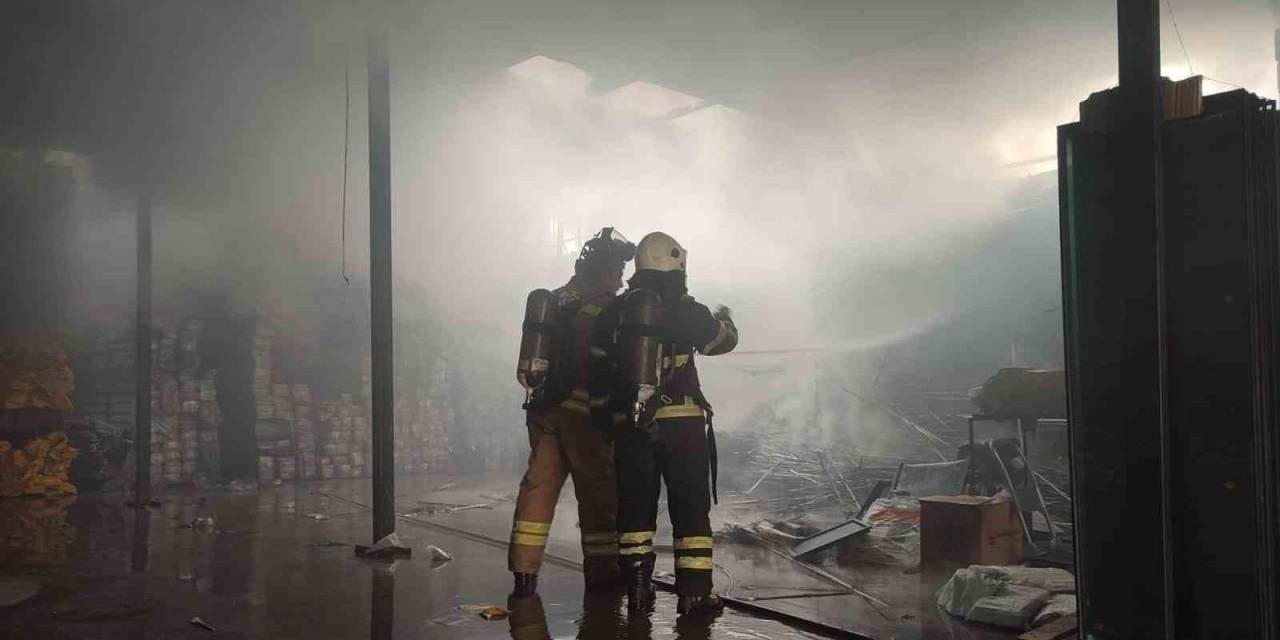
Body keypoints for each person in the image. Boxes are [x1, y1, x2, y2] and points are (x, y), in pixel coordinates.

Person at [588, 231, 738, 615]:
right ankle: (694, 594)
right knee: (689, 508)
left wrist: (612, 418)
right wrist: (725, 321)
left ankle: (638, 590)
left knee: (635, 508)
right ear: (675, 262)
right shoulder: (684, 307)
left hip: (633, 425)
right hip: (682, 425)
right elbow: (719, 342)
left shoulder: (616, 312)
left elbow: (596, 368)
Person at [508, 228, 636, 596]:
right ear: (601, 271)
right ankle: (603, 572)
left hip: (544, 413)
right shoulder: (603, 309)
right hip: (584, 417)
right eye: (616, 272)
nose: (620, 280)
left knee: (538, 488)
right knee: (597, 496)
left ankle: (523, 571)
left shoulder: (555, 302)